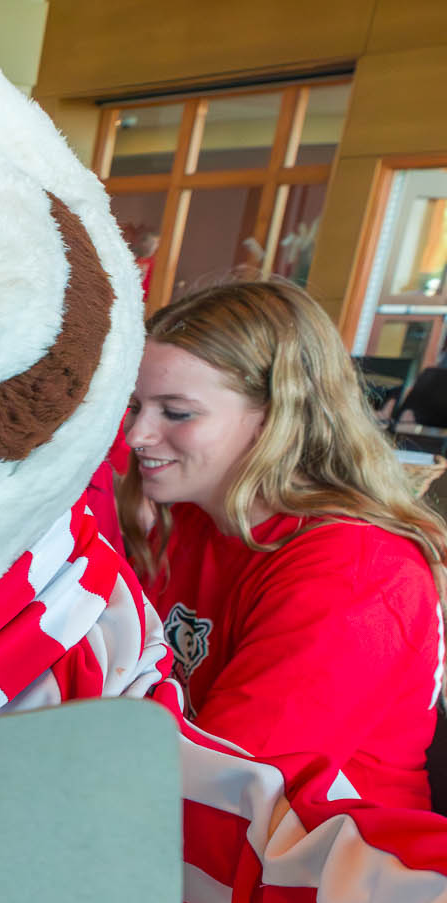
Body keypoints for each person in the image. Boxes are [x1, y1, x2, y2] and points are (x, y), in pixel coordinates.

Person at [121, 278, 447, 814]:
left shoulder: (359, 572)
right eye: (136, 405)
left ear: (278, 417)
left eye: (176, 412)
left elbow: (223, 785)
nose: (136, 435)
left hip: (316, 872)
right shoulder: (192, 519)